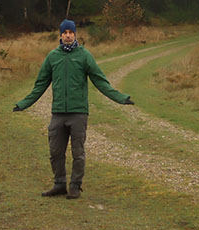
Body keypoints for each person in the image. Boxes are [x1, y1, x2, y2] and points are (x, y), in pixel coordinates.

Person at [13, 19, 134, 199]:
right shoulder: (52, 57)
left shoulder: (84, 55)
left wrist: (121, 98)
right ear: (60, 35)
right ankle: (59, 184)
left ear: (75, 34)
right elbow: (40, 85)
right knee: (55, 152)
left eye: (71, 32)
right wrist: (23, 104)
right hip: (58, 113)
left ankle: (75, 185)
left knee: (78, 152)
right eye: (65, 32)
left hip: (78, 112)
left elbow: (100, 81)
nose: (68, 35)